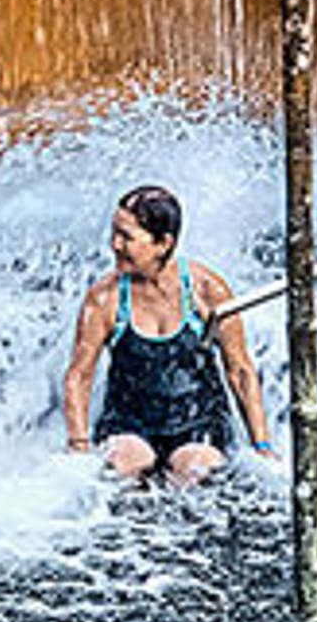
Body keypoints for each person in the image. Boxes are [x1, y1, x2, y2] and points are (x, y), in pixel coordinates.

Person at [60, 184, 271, 485]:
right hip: (128, 424)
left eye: (127, 237)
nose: (115, 245)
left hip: (198, 423)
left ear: (163, 243)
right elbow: (78, 376)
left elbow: (240, 370)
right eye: (114, 233)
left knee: (195, 471)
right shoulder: (105, 299)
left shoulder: (206, 291)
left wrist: (261, 445)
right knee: (122, 467)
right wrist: (78, 445)